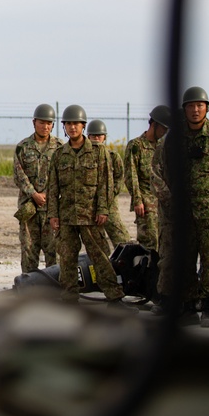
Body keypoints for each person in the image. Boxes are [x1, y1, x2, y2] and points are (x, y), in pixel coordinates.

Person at [152, 87, 209, 327]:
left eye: (200, 105)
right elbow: (160, 169)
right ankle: (189, 307)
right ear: (184, 109)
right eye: (191, 105)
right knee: (185, 261)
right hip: (183, 213)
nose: (196, 110)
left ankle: (208, 306)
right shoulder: (174, 138)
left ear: (207, 109)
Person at [47, 105, 136, 311]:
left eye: (76, 124)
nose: (72, 128)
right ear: (64, 127)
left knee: (100, 257)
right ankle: (69, 300)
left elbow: (107, 184)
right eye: (68, 124)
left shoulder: (98, 152)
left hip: (91, 216)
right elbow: (53, 187)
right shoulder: (60, 154)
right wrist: (53, 214)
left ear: (83, 126)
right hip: (67, 216)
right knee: (67, 259)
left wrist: (103, 210)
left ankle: (114, 298)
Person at [13, 104, 62, 274]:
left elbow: (63, 175)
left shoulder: (60, 148)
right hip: (30, 207)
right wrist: (33, 194)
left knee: (54, 250)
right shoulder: (23, 147)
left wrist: (48, 195)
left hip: (52, 208)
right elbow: (18, 175)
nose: (45, 126)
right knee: (29, 249)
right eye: (42, 123)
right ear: (34, 123)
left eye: (49, 123)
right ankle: (29, 286)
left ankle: (54, 286)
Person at [123, 105, 169, 255]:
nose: (164, 133)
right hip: (145, 203)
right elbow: (131, 175)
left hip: (162, 203)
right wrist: (137, 200)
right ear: (154, 125)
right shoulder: (136, 146)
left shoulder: (162, 147)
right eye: (163, 129)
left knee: (164, 243)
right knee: (149, 243)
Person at [86, 119, 132, 249]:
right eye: (93, 136)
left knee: (121, 238)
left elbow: (119, 178)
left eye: (99, 136)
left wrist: (108, 197)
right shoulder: (84, 157)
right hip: (90, 205)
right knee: (96, 242)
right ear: (88, 137)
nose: (96, 138)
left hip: (109, 204)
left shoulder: (113, 156)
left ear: (104, 137)